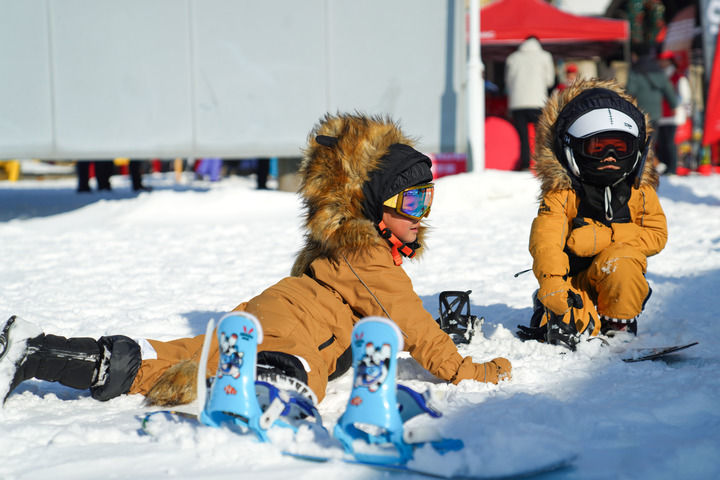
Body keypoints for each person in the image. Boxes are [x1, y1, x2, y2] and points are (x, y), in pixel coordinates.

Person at [0, 113, 511, 407]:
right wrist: (472, 371)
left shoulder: (356, 249)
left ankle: (37, 350)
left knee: (170, 360)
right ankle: (269, 390)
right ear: (379, 209)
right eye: (413, 202)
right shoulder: (368, 255)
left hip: (271, 311)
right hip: (291, 327)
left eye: (429, 201)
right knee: (293, 371)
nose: (423, 215)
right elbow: (415, 325)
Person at [517, 79, 668, 350]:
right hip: (572, 279)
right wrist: (551, 283)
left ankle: (619, 324)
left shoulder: (638, 191)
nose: (609, 156)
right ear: (574, 148)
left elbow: (656, 235)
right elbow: (546, 242)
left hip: (615, 278)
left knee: (622, 261)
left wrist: (603, 236)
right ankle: (555, 308)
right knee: (571, 325)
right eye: (598, 147)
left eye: (619, 148)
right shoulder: (562, 193)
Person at [624, 46, 677, 174]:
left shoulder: (635, 70)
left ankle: (644, 169)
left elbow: (630, 91)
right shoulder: (658, 70)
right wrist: (673, 105)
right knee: (652, 141)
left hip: (640, 113)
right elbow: (668, 89)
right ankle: (651, 167)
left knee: (641, 142)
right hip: (656, 113)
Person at [505, 36, 555, 170]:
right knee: (542, 135)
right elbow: (549, 80)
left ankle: (525, 164)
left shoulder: (513, 57)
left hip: (517, 103)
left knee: (523, 137)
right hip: (538, 101)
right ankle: (543, 163)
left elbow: (508, 83)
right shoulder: (545, 56)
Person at [656, 51, 692, 175]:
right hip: (661, 114)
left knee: (671, 142)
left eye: (663, 60)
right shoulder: (660, 76)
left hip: (673, 114)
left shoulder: (678, 76)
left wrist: (684, 111)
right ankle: (665, 165)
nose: (661, 63)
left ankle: (672, 167)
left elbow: (685, 96)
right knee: (662, 142)